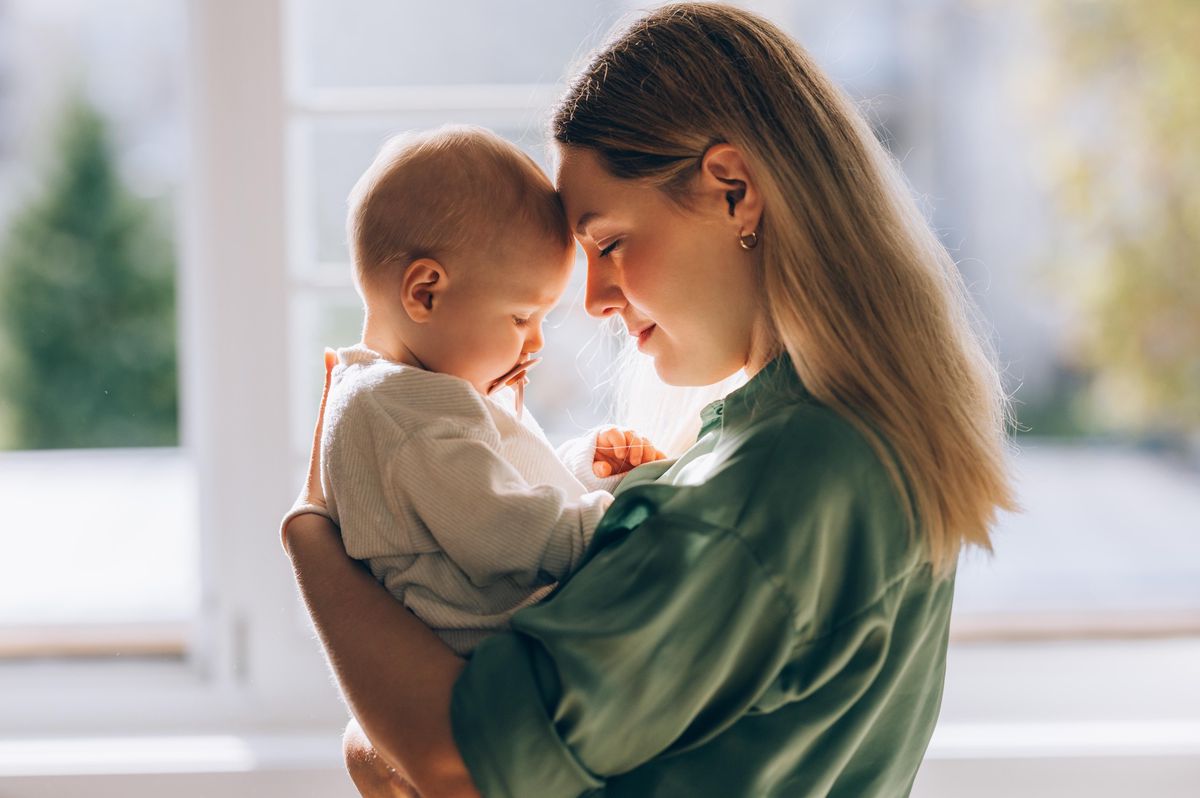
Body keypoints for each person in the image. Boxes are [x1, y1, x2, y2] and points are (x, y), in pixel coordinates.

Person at [281, 4, 1018, 796]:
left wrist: (311, 537)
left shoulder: (762, 493)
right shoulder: (837, 444)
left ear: (734, 191)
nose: (593, 300)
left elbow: (458, 761)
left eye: (609, 244)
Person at [282, 125, 664, 657]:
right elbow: (505, 532)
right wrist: (619, 522)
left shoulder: (402, 394)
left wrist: (581, 469)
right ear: (425, 293)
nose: (533, 343)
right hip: (507, 654)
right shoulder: (403, 415)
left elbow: (480, 495)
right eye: (521, 317)